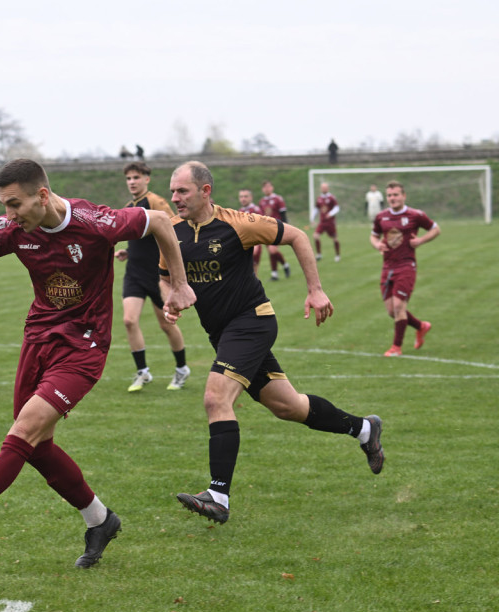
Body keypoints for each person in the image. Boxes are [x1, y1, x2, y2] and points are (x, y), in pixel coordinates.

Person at [0, 159, 195, 567]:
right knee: (36, 447)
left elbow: (161, 221)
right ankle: (100, 520)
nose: (8, 215)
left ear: (42, 195)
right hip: (38, 340)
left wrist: (178, 285)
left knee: (23, 431)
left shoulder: (95, 222)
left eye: (15, 204)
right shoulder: (13, 229)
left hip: (83, 348)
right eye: (4, 205)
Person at [160, 161, 384, 525]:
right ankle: (364, 429)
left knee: (216, 398)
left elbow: (297, 235)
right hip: (221, 333)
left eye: (182, 191)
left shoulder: (238, 223)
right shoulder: (171, 231)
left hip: (252, 322)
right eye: (172, 191)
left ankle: (218, 495)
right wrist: (171, 298)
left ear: (205, 191)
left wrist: (315, 289)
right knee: (289, 406)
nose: (175, 198)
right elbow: (167, 277)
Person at [114, 162, 191, 392]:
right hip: (134, 274)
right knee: (129, 320)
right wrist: (128, 251)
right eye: (128, 178)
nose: (132, 182)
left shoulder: (156, 202)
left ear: (146, 179)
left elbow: (172, 227)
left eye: (136, 177)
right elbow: (140, 238)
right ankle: (143, 372)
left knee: (167, 324)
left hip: (155, 275)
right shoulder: (129, 206)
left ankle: (181, 369)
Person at [370, 181, 440, 357]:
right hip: (387, 267)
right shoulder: (381, 216)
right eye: (390, 195)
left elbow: (435, 229)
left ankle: (396, 347)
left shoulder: (415, 215)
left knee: (399, 306)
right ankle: (421, 326)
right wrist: (377, 244)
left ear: (403, 196)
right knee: (391, 311)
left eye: (396, 195)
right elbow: (373, 235)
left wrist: (420, 241)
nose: (392, 198)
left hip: (406, 265)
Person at [258, 181, 292, 281]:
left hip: (277, 228)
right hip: (265, 229)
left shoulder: (278, 199)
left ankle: (281, 268)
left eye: (268, 186)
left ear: (272, 188)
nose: (267, 189)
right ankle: (277, 272)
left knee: (273, 250)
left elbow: (283, 214)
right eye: (265, 187)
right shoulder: (262, 201)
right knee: (271, 251)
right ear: (262, 189)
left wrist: (286, 227)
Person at [238, 189, 264, 276]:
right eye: (241, 197)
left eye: (245, 196)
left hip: (254, 244)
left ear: (251, 197)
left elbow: (260, 229)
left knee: (252, 273)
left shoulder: (256, 210)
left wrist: (256, 244)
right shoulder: (239, 211)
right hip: (243, 245)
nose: (243, 199)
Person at [314, 182, 341, 262]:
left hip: (330, 223)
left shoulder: (332, 198)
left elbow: (337, 208)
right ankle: (319, 254)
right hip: (322, 222)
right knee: (315, 236)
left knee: (335, 239)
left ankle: (337, 255)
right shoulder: (319, 198)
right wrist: (312, 219)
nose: (324, 189)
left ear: (328, 188)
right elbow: (316, 209)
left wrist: (330, 214)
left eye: (325, 187)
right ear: (320, 188)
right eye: (323, 187)